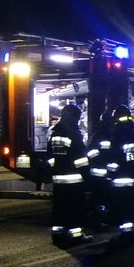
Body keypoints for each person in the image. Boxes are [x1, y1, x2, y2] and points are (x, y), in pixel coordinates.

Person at [46, 103, 92, 246]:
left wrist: (56, 169)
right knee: (75, 209)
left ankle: (57, 234)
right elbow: (81, 159)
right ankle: (76, 236)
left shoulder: (54, 134)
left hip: (58, 180)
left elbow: (50, 157)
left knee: (59, 208)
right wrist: (87, 176)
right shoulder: (74, 134)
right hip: (74, 180)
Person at [106, 105, 134, 239]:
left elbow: (114, 159)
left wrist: (109, 174)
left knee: (124, 207)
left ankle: (127, 232)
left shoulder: (118, 137)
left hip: (121, 179)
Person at [86, 109, 115, 231]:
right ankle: (96, 221)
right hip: (99, 174)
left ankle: (106, 219)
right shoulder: (98, 136)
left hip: (109, 173)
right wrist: (103, 161)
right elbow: (91, 152)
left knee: (107, 198)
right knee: (98, 199)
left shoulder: (115, 135)